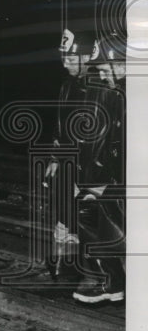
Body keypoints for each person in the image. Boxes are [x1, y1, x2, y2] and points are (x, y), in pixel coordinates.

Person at [72, 32, 126, 303]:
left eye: (106, 70)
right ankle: (112, 281)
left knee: (89, 209)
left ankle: (111, 280)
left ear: (122, 64)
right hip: (119, 178)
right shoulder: (117, 92)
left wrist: (108, 182)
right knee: (88, 206)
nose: (103, 76)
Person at [43, 28, 97, 279]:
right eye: (63, 57)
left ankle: (84, 274)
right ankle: (62, 271)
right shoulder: (68, 86)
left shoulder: (101, 89)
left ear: (87, 57)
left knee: (85, 222)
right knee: (64, 218)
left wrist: (84, 176)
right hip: (67, 165)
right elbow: (61, 127)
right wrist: (55, 158)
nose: (65, 64)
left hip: (89, 170)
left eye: (70, 58)